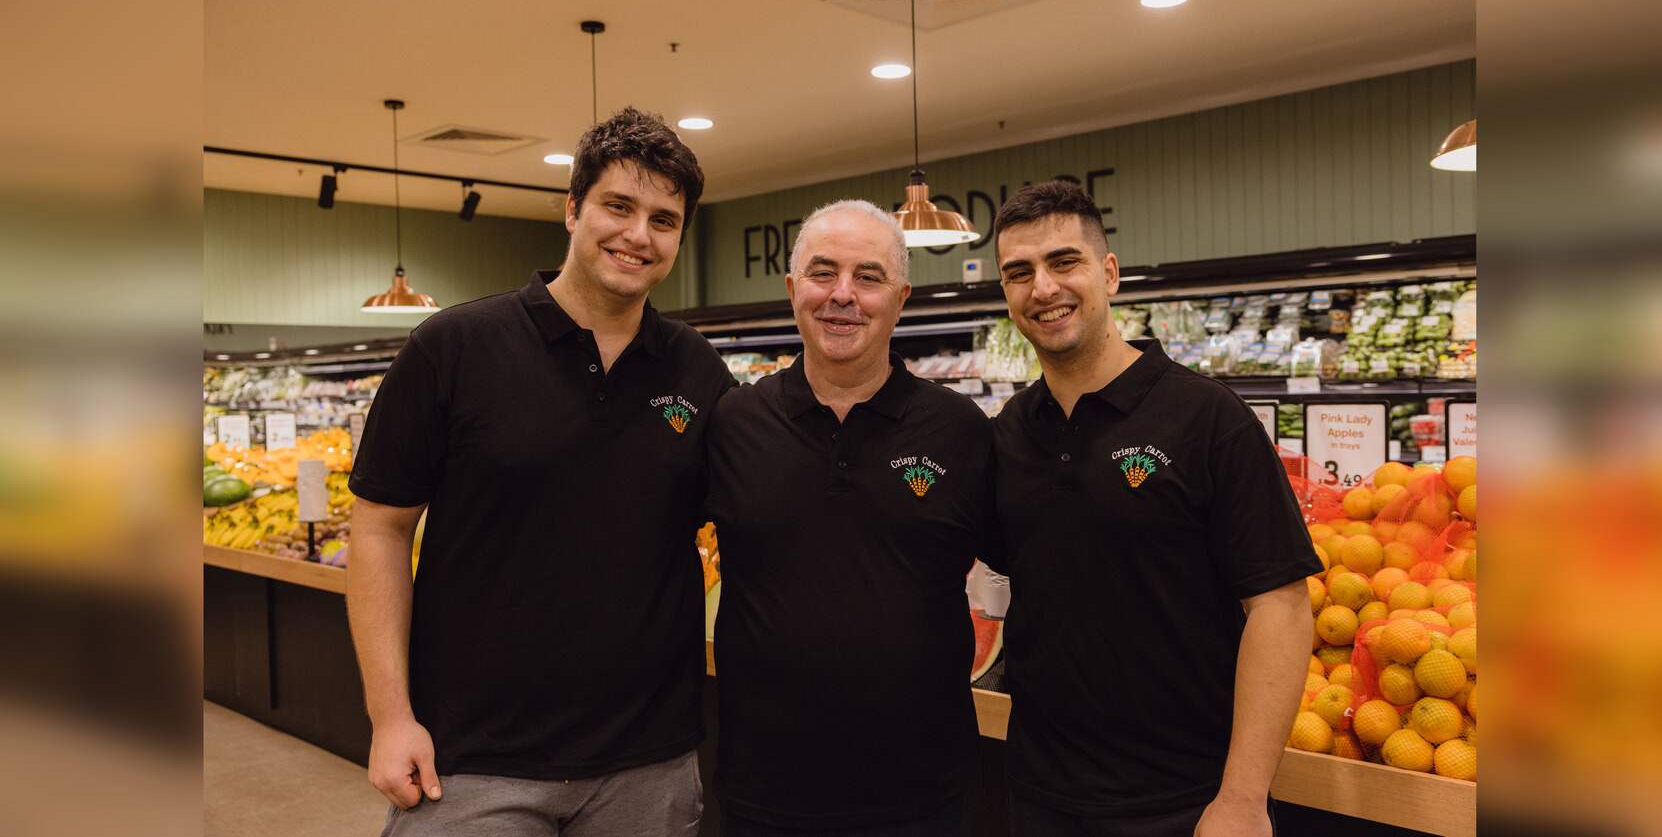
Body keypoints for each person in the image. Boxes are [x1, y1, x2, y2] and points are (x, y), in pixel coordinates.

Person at [346, 106, 733, 837]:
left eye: (663, 219)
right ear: (571, 209)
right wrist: (389, 715)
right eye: (617, 206)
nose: (637, 234)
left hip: (648, 764)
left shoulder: (699, 370)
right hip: (472, 763)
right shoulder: (453, 347)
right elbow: (381, 527)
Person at [989, 181, 1319, 837]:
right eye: (1019, 272)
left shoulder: (1207, 418)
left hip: (1184, 802)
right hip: (1040, 795)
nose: (1042, 288)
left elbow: (1281, 608)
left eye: (1064, 262)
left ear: (1109, 273)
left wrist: (1242, 798)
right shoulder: (1008, 433)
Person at [703, 200, 993, 836]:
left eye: (868, 277)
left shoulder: (961, 432)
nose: (842, 295)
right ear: (791, 289)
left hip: (925, 794)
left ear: (901, 296)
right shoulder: (732, 424)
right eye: (822, 272)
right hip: (763, 791)